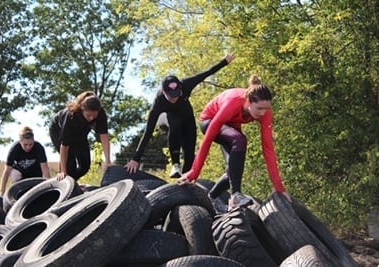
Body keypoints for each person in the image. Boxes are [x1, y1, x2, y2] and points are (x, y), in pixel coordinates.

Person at [177, 74, 291, 210]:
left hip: (231, 127)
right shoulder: (233, 102)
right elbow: (207, 139)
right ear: (248, 102)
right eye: (259, 108)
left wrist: (279, 187)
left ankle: (212, 197)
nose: (263, 113)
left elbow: (268, 149)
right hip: (209, 121)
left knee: (233, 170)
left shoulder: (265, 113)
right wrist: (194, 172)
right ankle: (236, 195)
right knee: (240, 140)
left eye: (266, 108)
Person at [125, 53, 235, 178]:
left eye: (177, 95)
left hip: (187, 117)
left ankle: (184, 181)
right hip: (166, 120)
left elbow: (206, 73)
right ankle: (175, 163)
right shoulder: (158, 101)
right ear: (164, 92)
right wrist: (136, 158)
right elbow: (148, 131)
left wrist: (224, 62)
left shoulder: (186, 84)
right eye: (171, 97)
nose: (174, 99)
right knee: (175, 123)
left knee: (189, 155)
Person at [49, 91, 111, 181]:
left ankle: (72, 182)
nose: (91, 118)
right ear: (82, 109)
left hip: (81, 134)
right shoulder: (71, 116)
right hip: (58, 131)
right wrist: (63, 171)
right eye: (88, 115)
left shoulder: (100, 113)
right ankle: (64, 184)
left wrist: (108, 161)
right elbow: (64, 146)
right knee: (69, 165)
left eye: (94, 115)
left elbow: (104, 136)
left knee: (85, 166)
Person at [0, 127, 51, 196]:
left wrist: (49, 188)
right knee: (14, 173)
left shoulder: (39, 147)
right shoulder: (14, 149)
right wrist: (2, 191)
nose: (28, 147)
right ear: (20, 142)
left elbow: (45, 169)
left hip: (35, 173)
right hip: (20, 173)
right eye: (25, 145)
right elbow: (7, 170)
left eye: (31, 144)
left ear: (33, 140)